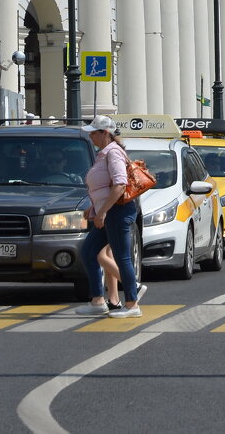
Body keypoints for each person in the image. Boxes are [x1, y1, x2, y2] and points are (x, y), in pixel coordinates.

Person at [76, 115, 143, 318]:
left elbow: (120, 185)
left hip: (117, 212)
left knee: (122, 257)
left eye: (93, 133)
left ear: (105, 133)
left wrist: (103, 211)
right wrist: (94, 208)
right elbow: (103, 187)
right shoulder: (104, 153)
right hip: (107, 211)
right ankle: (98, 300)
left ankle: (132, 304)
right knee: (89, 251)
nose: (90, 137)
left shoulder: (113, 152)